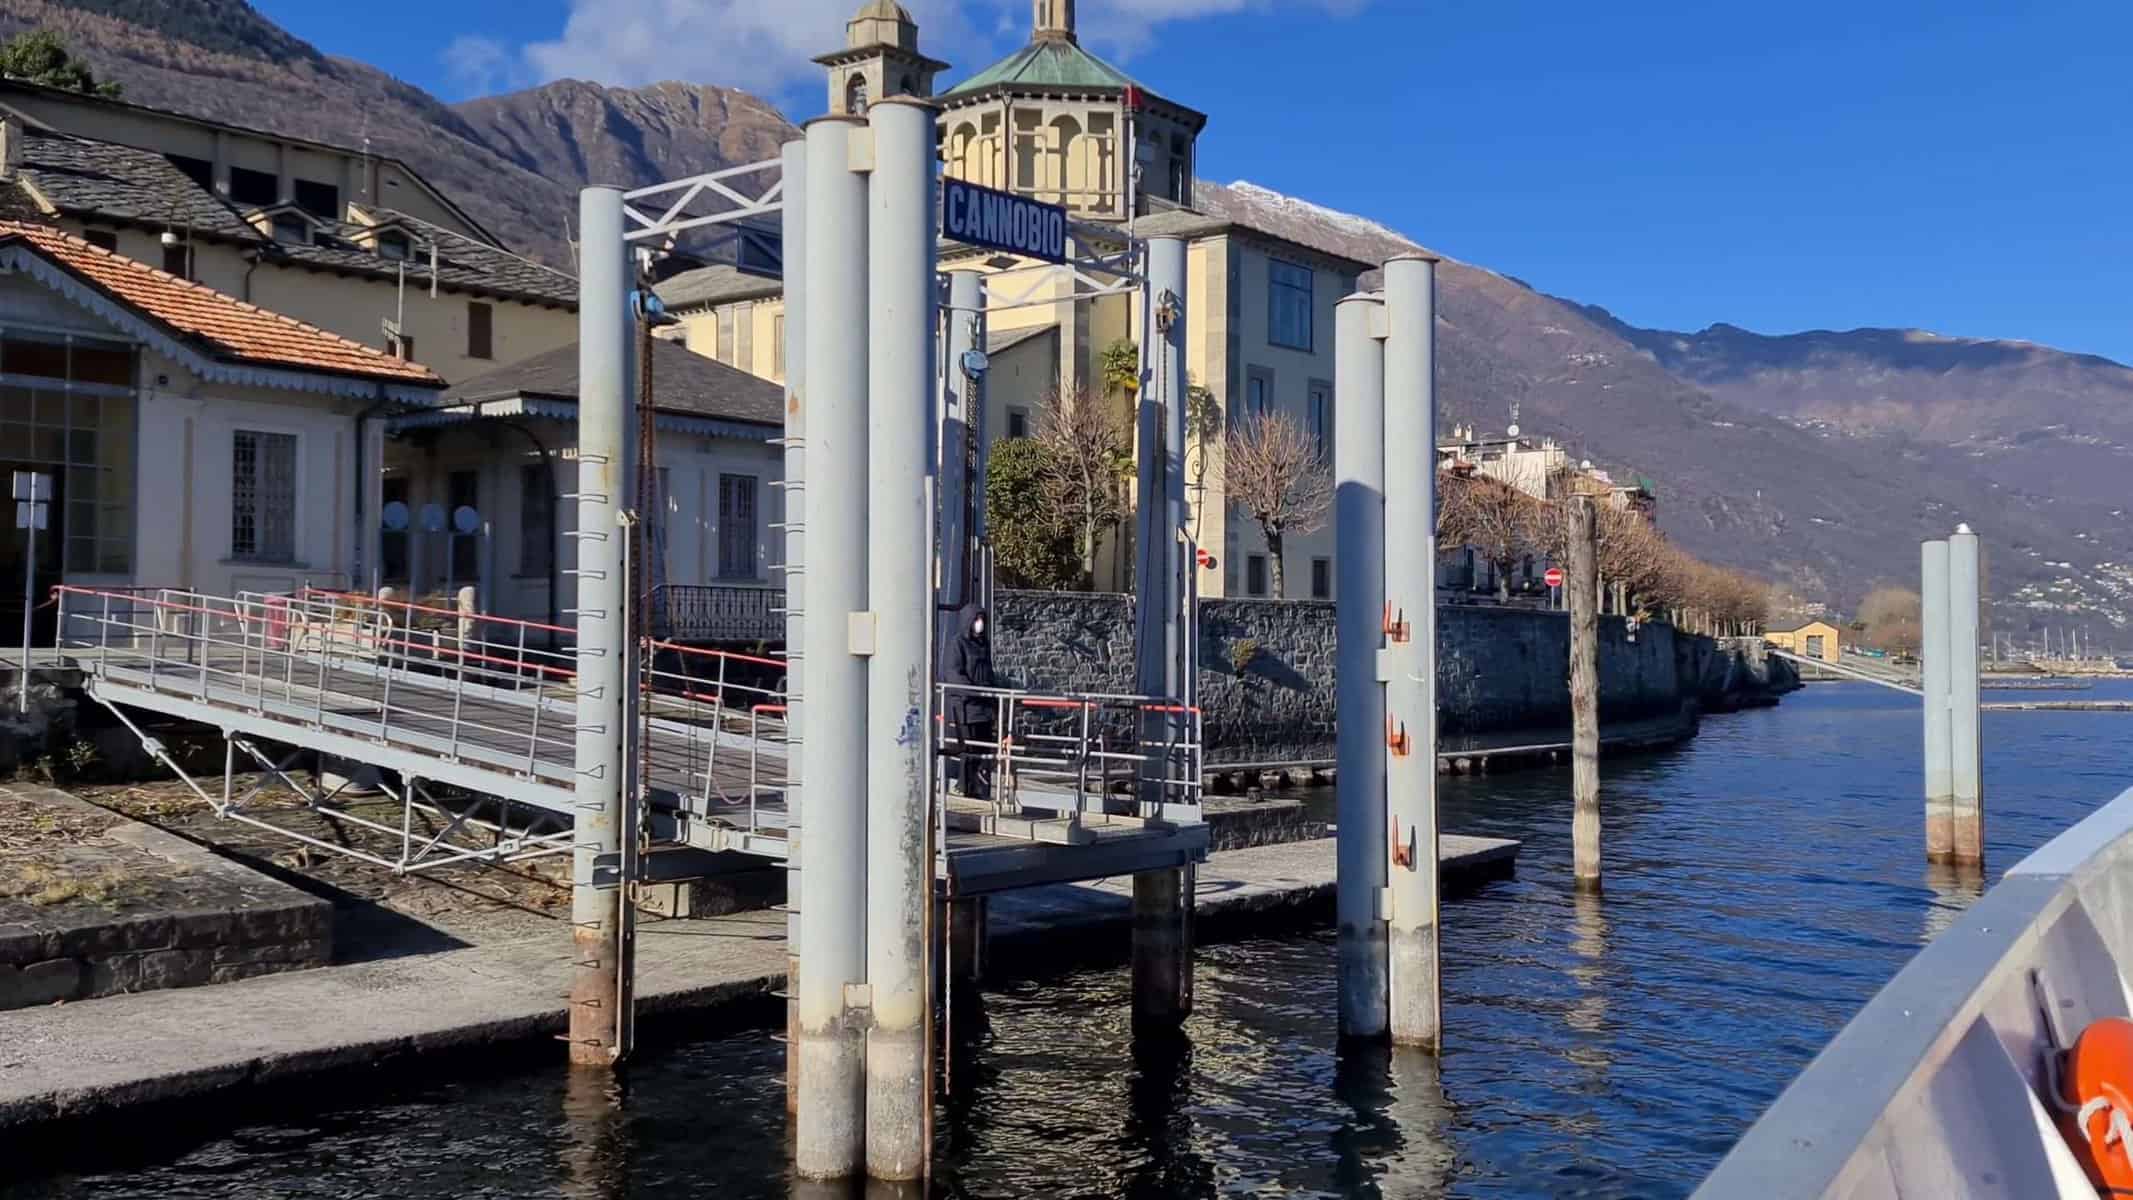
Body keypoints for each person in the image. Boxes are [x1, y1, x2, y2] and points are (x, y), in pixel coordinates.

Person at [942, 603, 997, 799]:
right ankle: (965, 787)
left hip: (983, 708)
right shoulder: (957, 644)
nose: (980, 623)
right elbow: (953, 674)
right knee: (969, 750)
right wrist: (974, 691)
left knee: (983, 751)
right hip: (965, 708)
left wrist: (993, 696)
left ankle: (980, 789)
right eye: (976, 619)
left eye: (982, 619)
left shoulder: (984, 644)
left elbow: (989, 673)